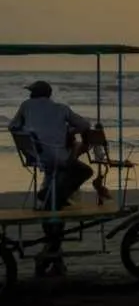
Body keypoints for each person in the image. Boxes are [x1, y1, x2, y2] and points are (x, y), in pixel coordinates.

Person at [7, 80, 94, 209]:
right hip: (56, 156)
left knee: (61, 166)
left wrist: (28, 132)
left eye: (31, 92)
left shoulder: (26, 105)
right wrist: (69, 132)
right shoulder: (61, 109)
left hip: (34, 155)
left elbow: (12, 126)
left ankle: (51, 194)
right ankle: (53, 195)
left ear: (34, 94)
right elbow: (85, 125)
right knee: (85, 171)